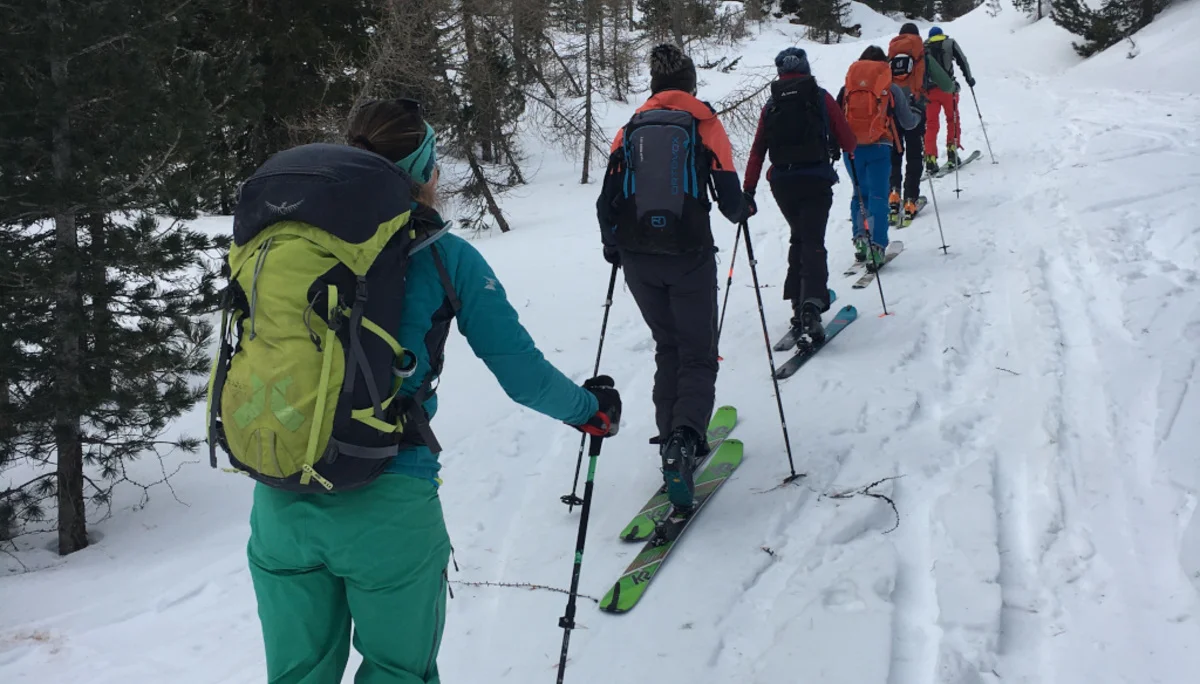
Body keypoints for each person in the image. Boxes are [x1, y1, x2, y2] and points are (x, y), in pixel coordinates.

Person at [231, 99, 622, 684]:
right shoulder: (442, 256)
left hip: (281, 500)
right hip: (387, 506)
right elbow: (522, 375)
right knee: (397, 673)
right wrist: (590, 411)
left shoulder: (286, 246)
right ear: (423, 172)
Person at [595, 43, 748, 510]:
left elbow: (607, 200)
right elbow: (728, 197)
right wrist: (743, 209)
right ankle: (685, 440)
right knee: (698, 353)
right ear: (690, 82)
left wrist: (613, 247)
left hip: (640, 258)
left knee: (669, 347)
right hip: (689, 254)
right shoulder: (703, 123)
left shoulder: (631, 127)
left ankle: (670, 440)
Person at [742, 47, 857, 345]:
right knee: (813, 240)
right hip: (815, 179)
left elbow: (757, 151)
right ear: (806, 68)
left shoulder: (771, 105)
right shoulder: (820, 96)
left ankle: (798, 301)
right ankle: (812, 305)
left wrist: (748, 191)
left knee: (799, 236)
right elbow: (848, 140)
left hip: (782, 183)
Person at [837, 46, 922, 269]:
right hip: (880, 147)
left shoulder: (847, 88)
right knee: (878, 197)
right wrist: (917, 111)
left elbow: (836, 120)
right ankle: (877, 246)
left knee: (859, 194)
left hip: (852, 150)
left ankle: (860, 241)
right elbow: (908, 123)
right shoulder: (890, 88)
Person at [888, 22, 929, 219]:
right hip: (915, 112)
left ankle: (893, 194)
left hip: (893, 111)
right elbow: (939, 80)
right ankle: (911, 199)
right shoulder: (921, 53)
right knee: (914, 155)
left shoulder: (891, 53)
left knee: (895, 154)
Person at [923, 26, 976, 175]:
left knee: (931, 125)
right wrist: (969, 79)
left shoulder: (923, 47)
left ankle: (930, 159)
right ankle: (952, 152)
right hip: (948, 89)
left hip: (929, 92)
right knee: (952, 119)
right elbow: (962, 60)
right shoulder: (950, 43)